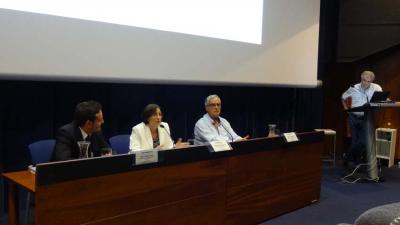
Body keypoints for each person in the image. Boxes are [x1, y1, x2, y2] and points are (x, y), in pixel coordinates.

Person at [341, 70, 382, 167]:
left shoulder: (376, 87)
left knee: (363, 141)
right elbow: (343, 97)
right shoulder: (354, 88)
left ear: (372, 81)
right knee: (355, 141)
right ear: (361, 79)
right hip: (353, 117)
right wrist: (346, 109)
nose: (366, 83)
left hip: (366, 118)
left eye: (368, 81)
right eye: (364, 80)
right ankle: (356, 162)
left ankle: (347, 157)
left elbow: (381, 97)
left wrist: (385, 100)